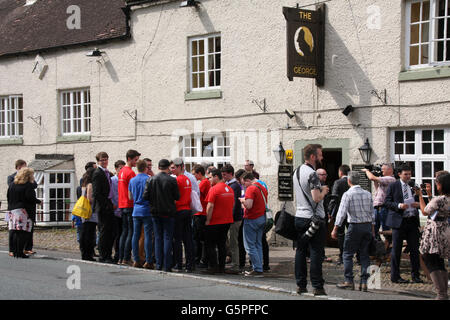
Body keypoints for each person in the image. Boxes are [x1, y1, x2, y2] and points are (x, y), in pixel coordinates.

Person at [293, 144, 329, 296]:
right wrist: (324, 190)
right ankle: (317, 286)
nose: (322, 157)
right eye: (320, 155)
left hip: (299, 216)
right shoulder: (313, 174)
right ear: (313, 156)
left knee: (300, 251)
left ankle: (301, 284)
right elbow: (316, 198)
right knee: (316, 253)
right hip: (313, 218)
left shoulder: (296, 171)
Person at [332, 171, 375, 292]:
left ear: (348, 181)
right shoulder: (367, 193)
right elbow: (372, 213)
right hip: (366, 226)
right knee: (365, 255)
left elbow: (341, 213)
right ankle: (364, 282)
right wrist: (372, 229)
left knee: (347, 253)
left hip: (355, 226)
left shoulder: (348, 194)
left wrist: (335, 228)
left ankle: (349, 280)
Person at [384, 164, 423, 284]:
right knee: (396, 250)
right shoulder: (393, 186)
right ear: (399, 174)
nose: (408, 176)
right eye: (405, 174)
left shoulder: (413, 186)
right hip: (399, 221)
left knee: (415, 249)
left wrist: (418, 203)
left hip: (412, 221)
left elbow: (420, 201)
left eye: (410, 174)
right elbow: (387, 202)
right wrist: (399, 205)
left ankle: (415, 275)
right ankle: (395, 276)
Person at [416, 173, 449, 300]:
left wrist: (420, 196)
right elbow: (436, 209)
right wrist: (429, 195)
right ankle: (443, 292)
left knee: (429, 259)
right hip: (445, 229)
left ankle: (441, 294)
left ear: (441, 185)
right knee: (439, 261)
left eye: (437, 183)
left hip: (434, 232)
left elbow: (425, 211)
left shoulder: (439, 200)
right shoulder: (445, 199)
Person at [143, 159, 179, 272]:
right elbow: (177, 196)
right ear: (168, 167)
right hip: (168, 212)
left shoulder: (151, 179)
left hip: (155, 212)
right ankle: (167, 265)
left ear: (158, 167)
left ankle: (159, 264)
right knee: (167, 237)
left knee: (158, 238)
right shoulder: (172, 180)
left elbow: (145, 196)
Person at [202, 168, 235, 274]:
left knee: (210, 244)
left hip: (215, 221)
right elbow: (232, 204)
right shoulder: (229, 189)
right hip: (227, 221)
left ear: (216, 177)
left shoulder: (214, 189)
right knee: (222, 244)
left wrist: (207, 219)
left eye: (210, 177)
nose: (209, 180)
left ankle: (213, 266)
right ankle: (221, 267)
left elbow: (210, 206)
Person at [7, 167, 41, 258]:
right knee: (23, 233)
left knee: (14, 232)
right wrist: (38, 201)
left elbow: (8, 197)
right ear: (28, 175)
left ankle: (14, 251)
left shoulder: (12, 184)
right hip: (22, 211)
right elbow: (30, 198)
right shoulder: (27, 185)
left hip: (11, 210)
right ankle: (20, 252)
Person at [240, 172, 267, 278]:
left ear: (248, 180)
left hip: (252, 219)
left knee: (250, 245)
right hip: (261, 217)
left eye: (244, 183)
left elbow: (249, 205)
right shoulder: (261, 186)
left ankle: (257, 269)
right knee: (258, 244)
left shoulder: (251, 188)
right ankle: (259, 267)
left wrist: (242, 201)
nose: (243, 186)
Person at [129, 160, 154, 269]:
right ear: (146, 168)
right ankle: (148, 260)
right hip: (147, 209)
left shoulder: (132, 180)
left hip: (136, 209)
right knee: (148, 235)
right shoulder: (149, 179)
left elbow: (130, 197)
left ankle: (136, 259)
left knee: (135, 235)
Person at [362, 163, 396, 242]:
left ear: (390, 170)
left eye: (383, 170)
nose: (381, 171)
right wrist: (375, 177)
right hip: (378, 208)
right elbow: (378, 189)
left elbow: (371, 177)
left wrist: (367, 171)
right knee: (374, 229)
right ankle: (377, 247)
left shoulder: (391, 179)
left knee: (386, 230)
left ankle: (388, 249)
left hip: (384, 208)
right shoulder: (384, 179)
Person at [171, 158, 194, 272]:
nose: (172, 170)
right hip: (187, 210)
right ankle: (190, 264)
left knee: (178, 239)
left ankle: (178, 263)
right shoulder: (187, 179)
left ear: (180, 167)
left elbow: (175, 197)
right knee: (188, 239)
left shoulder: (177, 180)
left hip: (179, 210)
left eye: (174, 167)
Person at [118, 149, 141, 266]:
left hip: (122, 204)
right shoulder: (130, 173)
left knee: (125, 231)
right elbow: (131, 192)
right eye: (135, 160)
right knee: (131, 232)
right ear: (129, 159)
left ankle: (121, 257)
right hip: (129, 204)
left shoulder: (121, 171)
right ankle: (126, 257)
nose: (136, 162)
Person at [92, 152, 115, 263]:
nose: (104, 162)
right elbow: (96, 193)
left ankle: (108, 254)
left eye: (106, 159)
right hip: (103, 206)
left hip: (108, 203)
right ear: (98, 161)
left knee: (110, 231)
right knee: (104, 231)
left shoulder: (106, 173)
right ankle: (103, 255)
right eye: (102, 160)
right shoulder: (98, 173)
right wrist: (105, 204)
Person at [221, 164, 243, 274]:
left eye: (224, 175)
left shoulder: (234, 186)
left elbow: (234, 204)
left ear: (230, 174)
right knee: (230, 242)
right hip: (231, 217)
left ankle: (235, 266)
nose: (223, 177)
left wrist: (229, 217)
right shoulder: (230, 185)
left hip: (234, 219)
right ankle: (234, 263)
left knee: (234, 243)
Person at [328, 164, 350, 265]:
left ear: (340, 172)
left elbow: (334, 198)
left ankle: (342, 256)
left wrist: (329, 211)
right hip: (351, 212)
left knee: (341, 234)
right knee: (353, 233)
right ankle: (358, 256)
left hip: (340, 211)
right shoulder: (352, 182)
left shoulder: (338, 182)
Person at [192, 164, 211, 268]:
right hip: (200, 212)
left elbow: (196, 195)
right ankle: (201, 259)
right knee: (200, 238)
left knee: (198, 238)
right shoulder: (204, 182)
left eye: (194, 174)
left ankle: (199, 259)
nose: (193, 176)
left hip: (200, 213)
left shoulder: (203, 183)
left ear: (199, 173)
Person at [79, 168, 97, 261]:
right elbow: (90, 199)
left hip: (85, 211)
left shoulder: (84, 184)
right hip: (90, 212)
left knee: (85, 232)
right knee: (89, 233)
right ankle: (87, 254)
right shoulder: (90, 185)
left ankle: (85, 252)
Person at [317, 168, 333, 263]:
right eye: (323, 174)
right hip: (317, 214)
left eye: (325, 174)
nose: (325, 176)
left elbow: (327, 201)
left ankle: (321, 255)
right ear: (317, 175)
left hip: (324, 214)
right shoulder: (315, 186)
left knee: (322, 235)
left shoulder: (325, 186)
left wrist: (329, 212)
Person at [111, 160, 125, 263]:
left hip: (123, 210)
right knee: (117, 234)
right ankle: (117, 254)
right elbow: (110, 194)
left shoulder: (124, 179)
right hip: (115, 210)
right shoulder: (112, 180)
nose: (122, 171)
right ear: (116, 169)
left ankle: (122, 254)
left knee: (124, 233)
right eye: (120, 169)